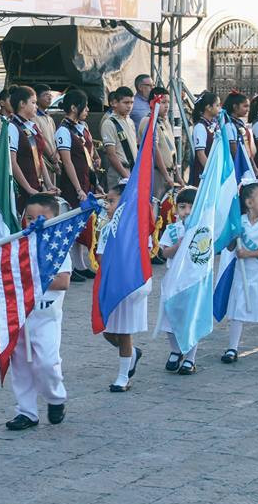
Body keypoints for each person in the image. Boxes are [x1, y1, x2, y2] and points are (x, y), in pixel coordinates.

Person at [6, 194, 71, 426]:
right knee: (21, 365)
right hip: (21, 316)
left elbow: (62, 282)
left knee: (47, 362)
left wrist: (30, 278)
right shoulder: (19, 244)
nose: (34, 223)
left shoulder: (59, 245)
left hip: (46, 318)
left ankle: (55, 398)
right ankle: (26, 411)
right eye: (29, 218)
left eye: (41, 218)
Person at [219, 181, 258, 363]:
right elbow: (231, 247)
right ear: (249, 203)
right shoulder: (239, 222)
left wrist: (249, 253)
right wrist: (233, 236)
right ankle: (232, 347)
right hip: (243, 276)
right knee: (238, 312)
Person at [94, 186, 149, 389]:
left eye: (112, 201)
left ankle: (123, 377)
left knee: (124, 332)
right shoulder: (107, 227)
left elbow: (144, 254)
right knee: (108, 332)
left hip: (128, 284)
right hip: (111, 282)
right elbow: (100, 254)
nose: (107, 206)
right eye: (107, 201)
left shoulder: (137, 228)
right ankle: (133, 353)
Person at [56, 89, 99, 278]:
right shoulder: (63, 131)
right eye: (85, 106)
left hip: (86, 180)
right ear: (74, 107)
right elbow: (67, 162)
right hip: (73, 185)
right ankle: (70, 266)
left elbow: (90, 153)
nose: (88, 110)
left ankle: (81, 264)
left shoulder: (83, 127)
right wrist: (78, 188)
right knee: (72, 226)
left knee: (84, 224)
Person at [157, 187, 199, 374]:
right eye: (182, 207)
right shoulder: (172, 229)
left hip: (192, 281)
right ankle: (175, 350)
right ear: (176, 209)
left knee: (190, 319)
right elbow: (164, 252)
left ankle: (191, 357)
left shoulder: (202, 229)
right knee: (169, 318)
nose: (187, 211)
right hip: (173, 280)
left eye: (192, 206)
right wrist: (178, 244)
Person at [9, 86, 58, 212]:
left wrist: (49, 184)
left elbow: (39, 157)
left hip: (37, 186)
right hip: (22, 189)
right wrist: (28, 188)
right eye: (33, 103)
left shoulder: (32, 126)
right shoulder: (12, 127)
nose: (36, 106)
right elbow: (12, 162)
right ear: (22, 104)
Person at [138, 87, 182, 199]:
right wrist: (166, 176)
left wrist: (177, 175)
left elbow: (171, 150)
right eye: (163, 102)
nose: (167, 106)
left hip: (169, 172)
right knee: (156, 206)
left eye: (168, 102)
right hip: (158, 173)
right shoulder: (148, 121)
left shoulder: (164, 122)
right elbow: (154, 149)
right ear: (152, 103)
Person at [99, 87, 137, 189]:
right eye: (126, 102)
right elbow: (111, 154)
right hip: (119, 173)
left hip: (132, 170)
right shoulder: (109, 123)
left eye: (131, 103)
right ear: (115, 103)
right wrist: (126, 176)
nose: (129, 106)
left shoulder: (130, 121)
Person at [188, 92, 220, 187]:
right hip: (205, 173)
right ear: (208, 107)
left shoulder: (212, 125)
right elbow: (201, 154)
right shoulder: (200, 127)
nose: (219, 108)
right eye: (217, 105)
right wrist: (211, 172)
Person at [32, 84, 60, 182]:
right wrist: (52, 157)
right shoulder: (34, 118)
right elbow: (40, 139)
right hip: (44, 161)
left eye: (50, 95)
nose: (49, 98)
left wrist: (56, 155)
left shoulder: (49, 118)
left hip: (53, 162)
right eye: (45, 95)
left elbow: (54, 139)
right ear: (37, 99)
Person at [224, 92, 253, 164]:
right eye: (245, 106)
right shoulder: (229, 125)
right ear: (235, 107)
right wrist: (243, 165)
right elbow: (233, 149)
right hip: (238, 165)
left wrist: (252, 164)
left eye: (248, 106)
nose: (248, 109)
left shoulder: (239, 123)